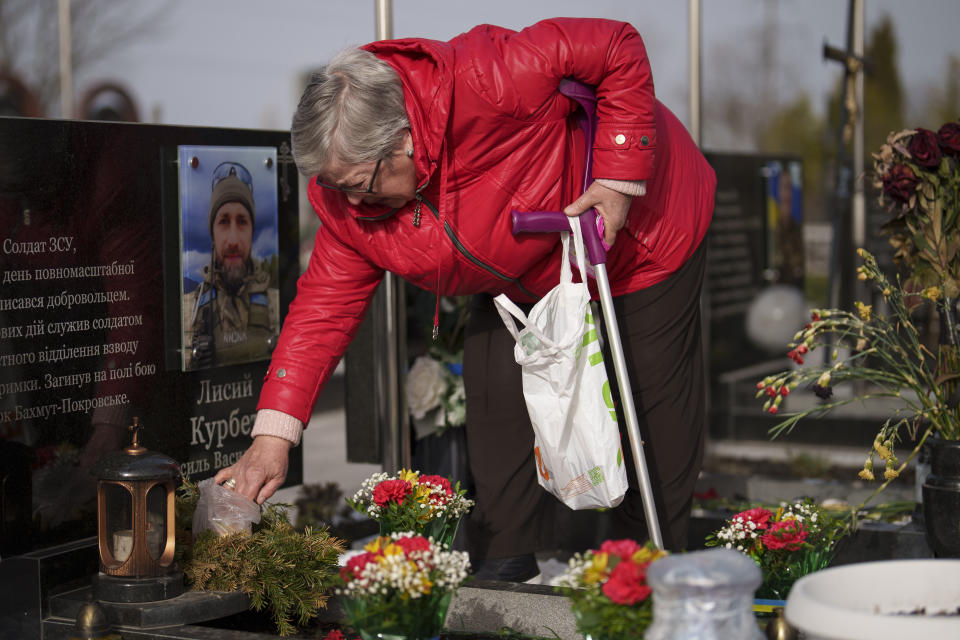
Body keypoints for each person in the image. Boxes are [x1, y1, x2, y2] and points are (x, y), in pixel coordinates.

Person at [216, 17, 716, 581]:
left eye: (359, 183)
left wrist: (620, 176)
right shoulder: (350, 202)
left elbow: (614, 44)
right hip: (517, 268)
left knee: (646, 404)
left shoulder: (486, 77)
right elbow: (321, 311)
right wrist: (272, 437)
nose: (350, 202)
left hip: (635, 240)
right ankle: (506, 564)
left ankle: (647, 567)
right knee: (494, 395)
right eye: (335, 187)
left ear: (404, 140)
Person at [183, 162, 279, 369]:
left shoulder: (276, 304)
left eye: (242, 221)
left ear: (252, 231)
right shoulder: (190, 310)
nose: (233, 239)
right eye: (224, 222)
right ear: (213, 233)